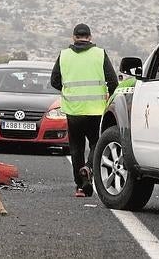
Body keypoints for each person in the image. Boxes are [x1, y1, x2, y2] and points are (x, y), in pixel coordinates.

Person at [50, 23, 118, 197]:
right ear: (90, 37)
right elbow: (113, 81)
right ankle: (88, 168)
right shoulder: (99, 54)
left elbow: (54, 81)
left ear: (74, 37)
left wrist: (69, 91)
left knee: (76, 148)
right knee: (96, 143)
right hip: (96, 111)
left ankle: (80, 186)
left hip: (73, 111)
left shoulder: (64, 55)